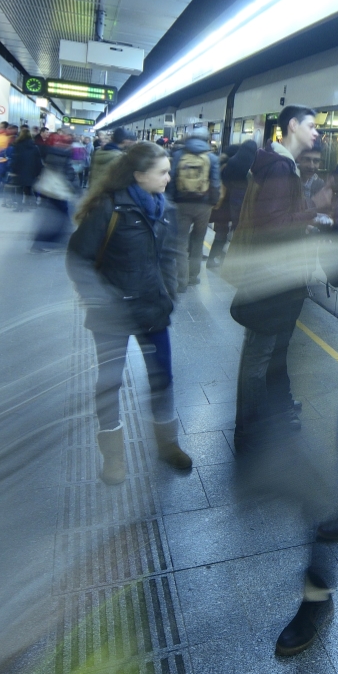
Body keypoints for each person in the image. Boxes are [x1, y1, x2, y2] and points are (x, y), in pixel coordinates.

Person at [227, 105, 338, 658]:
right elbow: (276, 228)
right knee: (259, 361)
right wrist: (315, 210)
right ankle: (248, 435)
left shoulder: (277, 168)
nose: (318, 129)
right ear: (287, 128)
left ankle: (260, 429)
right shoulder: (278, 169)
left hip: (276, 286)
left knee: (268, 363)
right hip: (272, 286)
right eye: (311, 123)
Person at [66, 141, 192, 479]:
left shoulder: (166, 209)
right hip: (112, 316)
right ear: (139, 175)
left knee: (162, 378)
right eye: (163, 172)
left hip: (153, 309)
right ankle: (114, 457)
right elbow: (77, 257)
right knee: (109, 384)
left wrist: (169, 294)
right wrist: (100, 299)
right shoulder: (109, 209)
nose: (169, 178)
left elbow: (168, 256)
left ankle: (168, 444)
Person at [169, 124, 221, 289]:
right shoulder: (212, 158)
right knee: (198, 241)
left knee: (180, 242)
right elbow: (215, 183)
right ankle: (193, 277)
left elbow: (171, 178)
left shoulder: (178, 155)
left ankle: (180, 281)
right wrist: (213, 202)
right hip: (203, 206)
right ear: (207, 140)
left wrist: (171, 200)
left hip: (181, 204)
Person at [207, 140, 257, 270]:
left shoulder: (230, 162)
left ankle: (212, 259)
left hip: (224, 202)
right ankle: (231, 261)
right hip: (240, 202)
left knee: (221, 231)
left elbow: (222, 179)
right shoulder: (252, 166)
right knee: (238, 232)